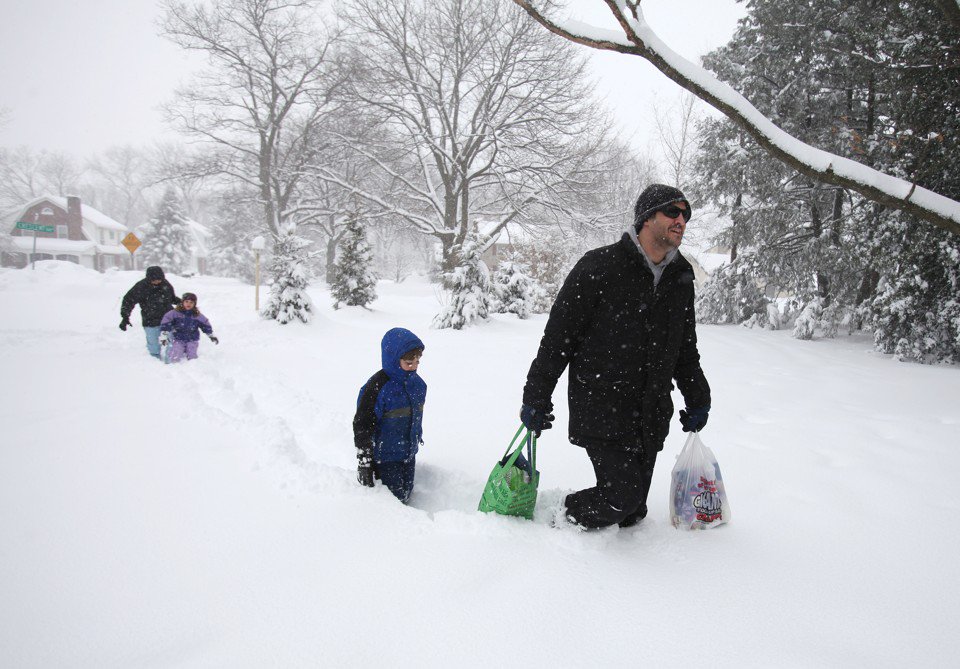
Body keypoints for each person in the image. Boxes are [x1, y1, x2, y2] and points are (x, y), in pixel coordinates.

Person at [520, 184, 711, 530]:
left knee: (633, 510)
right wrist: (536, 396)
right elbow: (557, 341)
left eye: (686, 214)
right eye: (673, 211)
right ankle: (559, 513)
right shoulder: (599, 267)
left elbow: (685, 347)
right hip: (602, 405)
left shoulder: (680, 277)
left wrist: (698, 398)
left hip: (650, 411)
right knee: (620, 499)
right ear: (647, 218)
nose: (681, 220)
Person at [353, 327, 427, 503]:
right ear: (393, 359)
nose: (414, 366)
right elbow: (362, 425)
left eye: (417, 362)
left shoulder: (418, 385)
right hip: (386, 457)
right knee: (395, 501)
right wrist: (365, 462)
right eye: (409, 363)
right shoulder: (377, 388)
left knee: (408, 492)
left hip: (409, 452)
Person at [120, 266, 180, 360]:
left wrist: (183, 303)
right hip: (150, 320)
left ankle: (171, 360)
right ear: (149, 278)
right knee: (153, 345)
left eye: (159, 279)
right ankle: (154, 362)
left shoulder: (166, 284)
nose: (157, 282)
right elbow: (128, 301)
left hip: (168, 319)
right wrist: (125, 317)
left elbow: (171, 298)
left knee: (171, 342)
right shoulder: (141, 287)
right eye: (154, 280)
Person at [159, 293, 219, 363]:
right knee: (175, 353)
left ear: (194, 304)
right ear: (182, 302)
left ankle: (192, 367)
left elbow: (205, 324)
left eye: (191, 302)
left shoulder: (197, 315)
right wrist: (164, 333)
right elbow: (166, 320)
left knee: (192, 355)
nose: (189, 304)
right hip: (178, 338)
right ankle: (174, 366)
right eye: (186, 302)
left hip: (192, 339)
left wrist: (211, 335)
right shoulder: (175, 313)